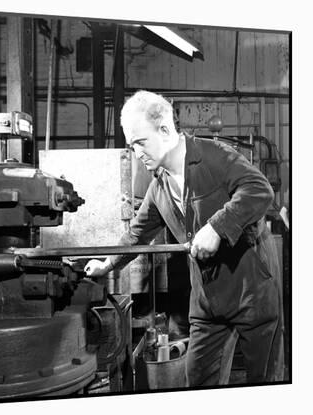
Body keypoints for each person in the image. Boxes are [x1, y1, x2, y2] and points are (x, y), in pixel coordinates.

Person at [85, 90, 284, 386]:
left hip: (251, 290)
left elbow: (259, 189)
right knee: (200, 381)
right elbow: (137, 234)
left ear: (165, 129)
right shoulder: (159, 187)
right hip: (206, 302)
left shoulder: (216, 156)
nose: (137, 153)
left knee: (265, 383)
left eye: (141, 142)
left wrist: (217, 226)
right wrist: (107, 264)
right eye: (131, 145)